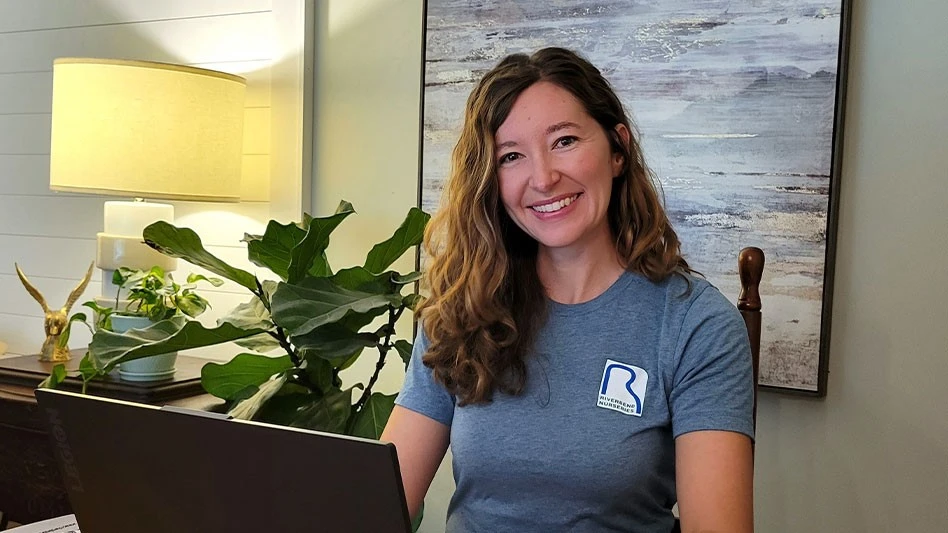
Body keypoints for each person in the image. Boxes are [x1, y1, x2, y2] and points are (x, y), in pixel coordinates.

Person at [382, 47, 754, 533]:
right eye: (511, 156)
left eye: (564, 141)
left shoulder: (696, 324)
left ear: (617, 148)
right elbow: (378, 504)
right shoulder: (464, 308)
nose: (543, 178)